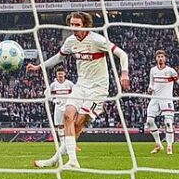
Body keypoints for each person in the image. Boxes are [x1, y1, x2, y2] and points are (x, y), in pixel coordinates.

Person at [27, 11, 130, 170]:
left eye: (77, 25)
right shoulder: (70, 41)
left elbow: (122, 54)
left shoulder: (97, 40)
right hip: (81, 86)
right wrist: (39, 67)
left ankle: (55, 160)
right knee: (68, 116)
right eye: (71, 24)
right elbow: (58, 57)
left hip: (98, 89)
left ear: (86, 25)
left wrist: (124, 73)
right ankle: (72, 161)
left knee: (78, 123)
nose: (73, 27)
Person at [146, 49, 179, 155]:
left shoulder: (170, 71)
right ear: (156, 58)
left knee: (168, 123)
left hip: (167, 99)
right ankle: (158, 144)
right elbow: (151, 84)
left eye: (162, 56)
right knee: (149, 121)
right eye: (158, 56)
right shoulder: (153, 70)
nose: (160, 58)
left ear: (165, 58)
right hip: (154, 99)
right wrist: (150, 89)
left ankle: (169, 147)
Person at [47, 67, 74, 146]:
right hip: (58, 107)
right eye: (59, 74)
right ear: (56, 75)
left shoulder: (69, 84)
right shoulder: (53, 85)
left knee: (69, 125)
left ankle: (70, 144)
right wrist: (54, 100)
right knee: (60, 126)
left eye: (61, 73)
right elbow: (47, 95)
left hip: (68, 107)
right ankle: (62, 144)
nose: (60, 75)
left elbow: (76, 92)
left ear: (65, 74)